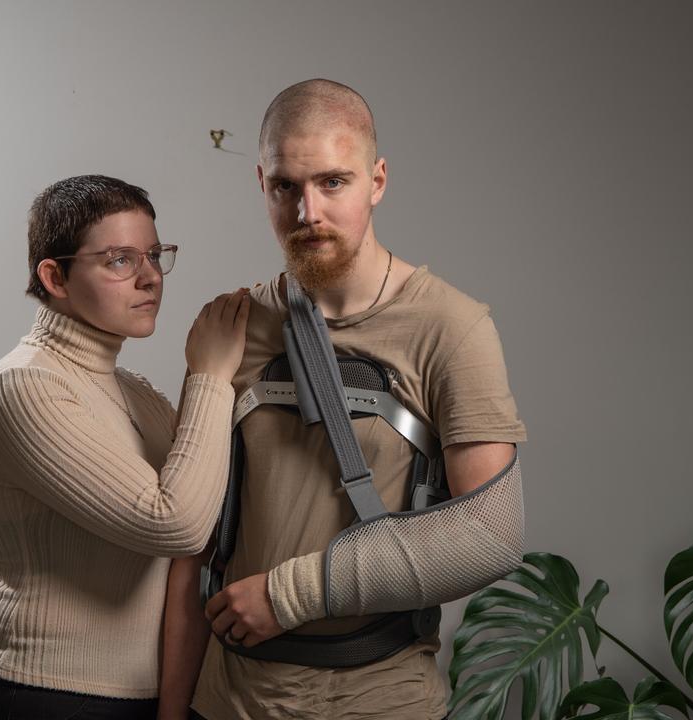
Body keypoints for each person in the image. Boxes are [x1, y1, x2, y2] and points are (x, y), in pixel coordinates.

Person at [159, 80, 528, 720]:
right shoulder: (231, 327)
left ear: (377, 180)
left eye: (333, 182)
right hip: (233, 699)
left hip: (382, 698)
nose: (308, 213)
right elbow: (189, 548)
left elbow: (488, 536)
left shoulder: (451, 327)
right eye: (286, 187)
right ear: (262, 184)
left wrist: (291, 594)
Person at [0, 175, 250, 720]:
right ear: (55, 276)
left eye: (155, 256)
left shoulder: (135, 393)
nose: (151, 278)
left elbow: (205, 525)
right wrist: (209, 375)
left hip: (136, 700)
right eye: (119, 260)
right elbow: (175, 522)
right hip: (35, 698)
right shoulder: (22, 386)